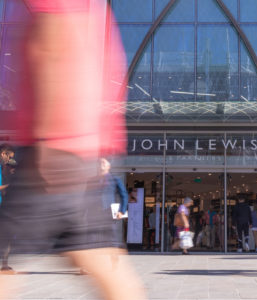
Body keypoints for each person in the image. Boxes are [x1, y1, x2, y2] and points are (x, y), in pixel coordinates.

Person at [0, 1, 145, 299]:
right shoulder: (92, 6)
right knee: (100, 261)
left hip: (50, 154)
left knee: (4, 259)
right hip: (81, 153)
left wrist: (48, 142)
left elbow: (54, 43)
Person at [0, 144, 16, 274]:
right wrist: (10, 186)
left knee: (6, 235)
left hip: (3, 207)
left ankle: (5, 265)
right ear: (3, 153)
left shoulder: (3, 167)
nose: (9, 160)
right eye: (9, 157)